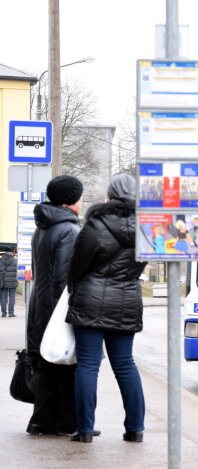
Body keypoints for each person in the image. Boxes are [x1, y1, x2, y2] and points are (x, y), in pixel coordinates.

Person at [66, 174, 147, 443]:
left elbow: (77, 266)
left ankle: (85, 430)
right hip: (127, 300)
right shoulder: (149, 228)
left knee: (88, 366)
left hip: (90, 300)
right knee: (125, 364)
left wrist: (75, 287)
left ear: (110, 195)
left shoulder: (95, 225)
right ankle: (135, 429)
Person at [26, 175, 84, 436]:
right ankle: (66, 423)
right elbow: (64, 278)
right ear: (72, 201)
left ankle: (41, 421)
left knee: (47, 364)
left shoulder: (43, 227)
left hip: (39, 304)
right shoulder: (70, 230)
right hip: (57, 307)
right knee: (66, 364)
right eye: (81, 197)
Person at [0, 251, 18, 317]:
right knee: (12, 297)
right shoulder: (15, 261)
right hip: (13, 282)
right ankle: (11, 313)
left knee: (3, 298)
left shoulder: (1, 261)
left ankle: (4, 313)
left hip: (3, 283)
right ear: (11, 254)